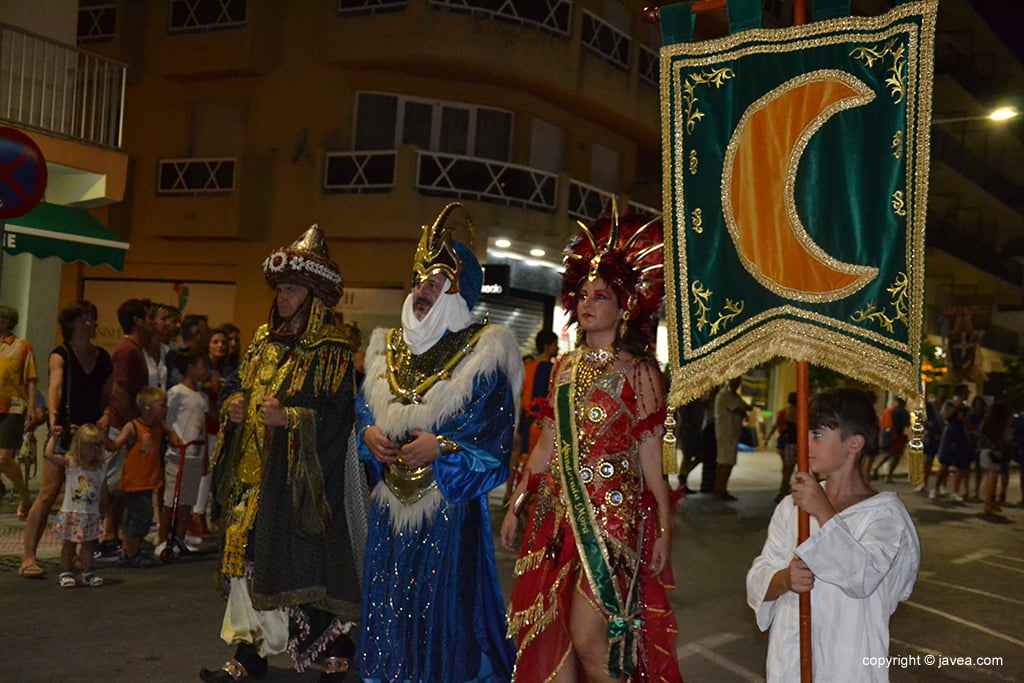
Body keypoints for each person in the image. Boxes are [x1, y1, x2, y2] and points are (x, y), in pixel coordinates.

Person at [501, 210, 682, 681]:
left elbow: (650, 461)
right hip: (557, 517)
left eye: (600, 296)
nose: (587, 303)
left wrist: (663, 527)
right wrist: (517, 503)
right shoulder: (563, 367)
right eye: (582, 295)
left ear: (624, 308)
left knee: (589, 638)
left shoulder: (641, 373)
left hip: (612, 520)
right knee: (552, 636)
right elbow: (545, 446)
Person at [356, 203, 522, 682]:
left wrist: (444, 447)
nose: (422, 292)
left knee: (444, 612)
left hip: (447, 511)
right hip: (390, 508)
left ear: (457, 290)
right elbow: (365, 411)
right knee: (388, 602)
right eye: (418, 281)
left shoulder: (484, 350)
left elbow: (494, 436)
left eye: (434, 283)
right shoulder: (385, 347)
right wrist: (369, 434)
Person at [200, 225, 366, 682]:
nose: (283, 297)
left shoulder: (333, 350)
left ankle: (337, 646)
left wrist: (293, 420)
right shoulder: (260, 339)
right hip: (253, 476)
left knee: (306, 566)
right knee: (246, 565)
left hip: (300, 483)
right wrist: (233, 404)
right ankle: (248, 652)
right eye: (280, 289)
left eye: (292, 289)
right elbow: (238, 383)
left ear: (312, 295)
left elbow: (339, 417)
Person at [746, 388, 920, 682]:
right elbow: (760, 573)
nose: (805, 443)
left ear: (854, 444)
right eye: (805, 433)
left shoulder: (884, 515)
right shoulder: (792, 508)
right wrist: (785, 579)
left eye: (817, 435)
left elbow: (862, 577)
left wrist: (823, 512)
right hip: (791, 659)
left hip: (849, 664)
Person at [20, 300, 113, 579]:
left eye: (93, 318)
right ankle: (28, 556)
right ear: (71, 324)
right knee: (49, 492)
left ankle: (73, 555)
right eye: (85, 318)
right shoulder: (60, 354)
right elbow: (56, 386)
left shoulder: (103, 357)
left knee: (88, 495)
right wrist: (53, 417)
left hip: (91, 433)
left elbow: (108, 394)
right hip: (66, 429)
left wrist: (108, 415)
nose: (91, 323)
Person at [97, 298, 153, 558]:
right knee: (113, 483)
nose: (153, 322)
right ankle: (103, 535)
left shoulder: (136, 349)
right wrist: (133, 426)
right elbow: (118, 391)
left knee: (121, 484)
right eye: (149, 317)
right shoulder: (127, 351)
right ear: (137, 321)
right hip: (121, 426)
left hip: (125, 424)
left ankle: (112, 534)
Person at [109, 386, 180, 568]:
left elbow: (170, 434)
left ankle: (131, 550)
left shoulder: (158, 425)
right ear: (147, 407)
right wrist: (105, 439)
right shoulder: (133, 427)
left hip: (149, 480)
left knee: (140, 517)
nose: (165, 409)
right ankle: (130, 552)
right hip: (135, 481)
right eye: (162, 405)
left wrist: (173, 437)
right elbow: (116, 444)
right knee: (141, 516)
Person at [156, 349, 210, 557]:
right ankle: (162, 540)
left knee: (187, 499)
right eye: (201, 365)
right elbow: (163, 417)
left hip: (195, 453)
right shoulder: (176, 393)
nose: (205, 370)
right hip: (177, 453)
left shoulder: (201, 396)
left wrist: (205, 456)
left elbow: (203, 427)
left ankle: (179, 537)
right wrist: (171, 434)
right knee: (171, 500)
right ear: (190, 368)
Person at [44, 424, 108, 588]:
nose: (93, 450)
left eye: (97, 446)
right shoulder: (71, 463)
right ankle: (65, 572)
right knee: (69, 544)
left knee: (88, 545)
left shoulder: (100, 469)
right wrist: (55, 438)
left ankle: (87, 573)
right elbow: (50, 455)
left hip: (91, 514)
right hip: (73, 512)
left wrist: (104, 509)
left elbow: (103, 490)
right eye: (89, 446)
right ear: (80, 446)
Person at [0, 304, 38, 521]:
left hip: (12, 407)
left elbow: (31, 378)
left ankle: (25, 497)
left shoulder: (21, 346)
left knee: (4, 458)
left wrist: (32, 407)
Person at [931, 384, 971, 502]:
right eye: (965, 393)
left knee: (960, 466)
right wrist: (957, 406)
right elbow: (945, 417)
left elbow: (969, 424)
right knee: (944, 464)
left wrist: (963, 418)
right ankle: (936, 488)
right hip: (949, 436)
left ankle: (955, 491)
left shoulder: (967, 408)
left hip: (961, 437)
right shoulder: (949, 404)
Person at [714, 376, 750, 501]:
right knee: (724, 462)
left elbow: (746, 407)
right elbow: (740, 409)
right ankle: (720, 489)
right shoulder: (725, 395)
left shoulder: (733, 395)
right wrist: (745, 411)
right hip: (726, 433)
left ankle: (722, 488)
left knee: (727, 462)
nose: (737, 384)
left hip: (732, 433)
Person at [977, 401, 1011, 515]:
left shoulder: (987, 422)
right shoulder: (1002, 424)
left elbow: (980, 433)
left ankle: (989, 503)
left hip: (986, 450)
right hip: (995, 452)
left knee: (990, 478)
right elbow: (1007, 438)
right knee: (992, 478)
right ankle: (988, 503)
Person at [766, 392, 798, 502]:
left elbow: (776, 425)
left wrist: (768, 438)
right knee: (794, 469)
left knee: (787, 468)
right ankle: (784, 490)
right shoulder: (801, 412)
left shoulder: (785, 411)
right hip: (796, 442)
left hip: (787, 440)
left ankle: (783, 490)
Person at [872, 397, 909, 482]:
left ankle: (876, 467)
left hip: (887, 434)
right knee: (897, 456)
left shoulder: (889, 410)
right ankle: (889, 475)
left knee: (887, 454)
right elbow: (906, 425)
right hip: (897, 435)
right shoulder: (903, 412)